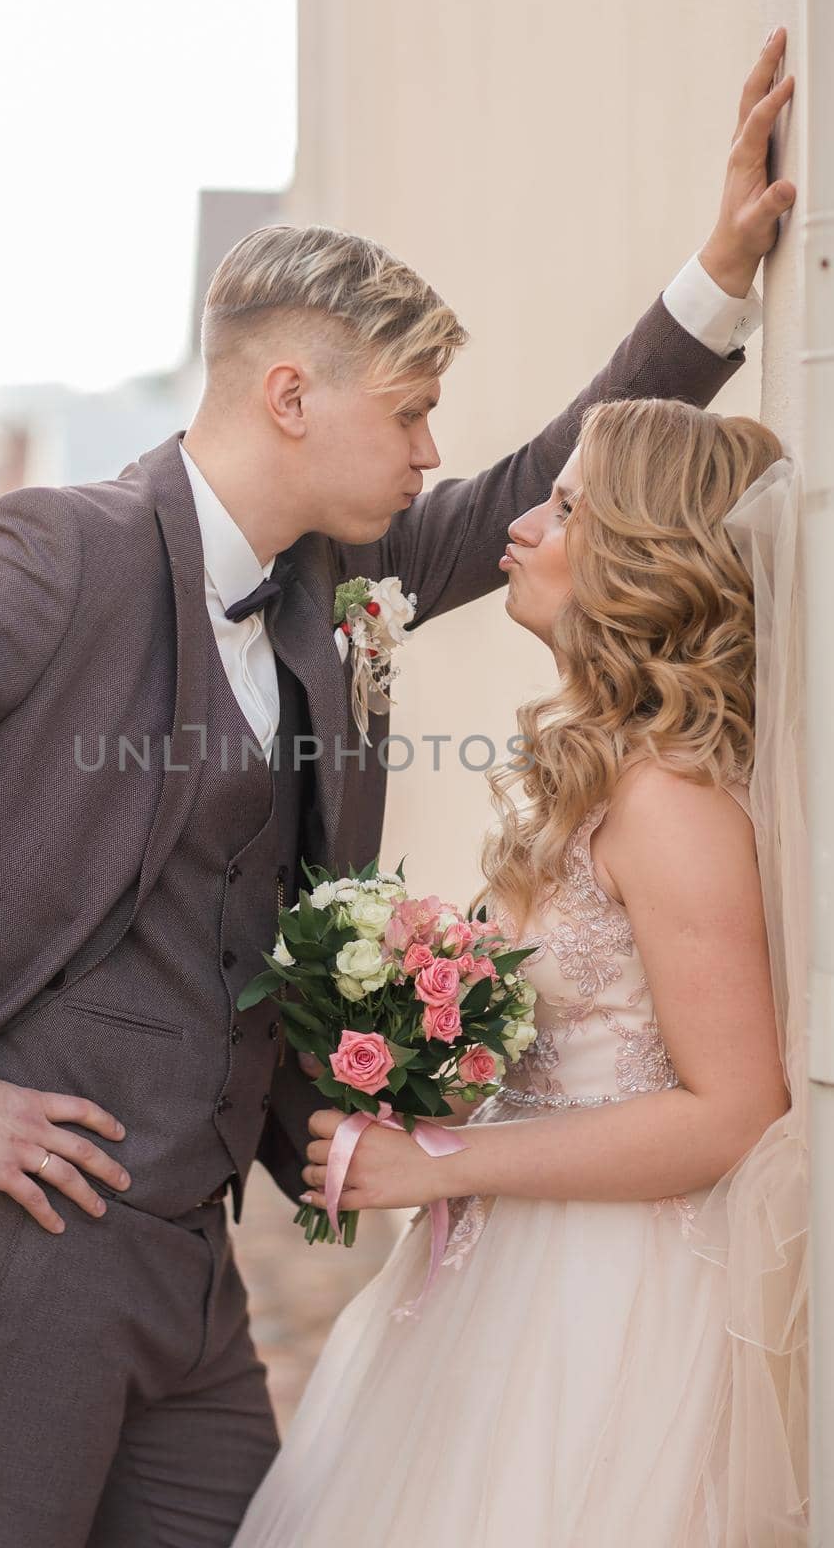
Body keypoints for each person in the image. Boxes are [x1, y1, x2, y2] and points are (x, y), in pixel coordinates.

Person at [0, 35, 794, 1548]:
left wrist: (712, 278)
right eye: (411, 412)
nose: (434, 452)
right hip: (4, 1251)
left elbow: (539, 490)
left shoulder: (339, 584)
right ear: (294, 395)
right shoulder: (60, 554)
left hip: (194, 1269)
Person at [250, 399, 807, 1546]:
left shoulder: (669, 804)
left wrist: (438, 1157)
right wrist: (426, 1057)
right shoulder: (594, 776)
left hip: (611, 1299)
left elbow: (734, 1109)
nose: (519, 521)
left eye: (564, 505)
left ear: (643, 557)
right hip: (508, 1261)